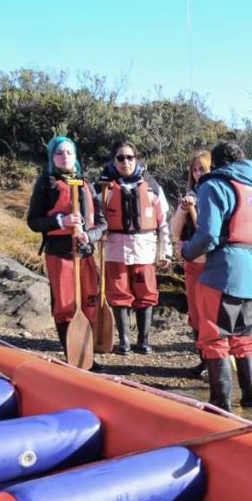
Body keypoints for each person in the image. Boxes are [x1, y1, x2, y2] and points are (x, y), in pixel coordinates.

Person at [182, 142, 252, 411]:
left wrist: (188, 252)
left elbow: (209, 235)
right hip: (250, 275)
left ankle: (219, 406)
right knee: (243, 337)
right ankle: (250, 403)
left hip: (222, 273)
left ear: (217, 163)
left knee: (214, 338)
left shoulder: (213, 186)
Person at [27, 136, 107, 355]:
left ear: (76, 156)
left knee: (89, 302)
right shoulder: (47, 184)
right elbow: (34, 221)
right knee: (65, 305)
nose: (65, 157)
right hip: (59, 253)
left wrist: (89, 236)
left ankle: (87, 353)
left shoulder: (87, 185)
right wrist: (61, 221)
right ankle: (71, 352)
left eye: (69, 152)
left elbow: (102, 223)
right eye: (59, 153)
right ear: (52, 157)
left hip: (85, 253)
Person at [95, 141, 171, 355]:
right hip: (114, 248)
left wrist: (165, 252)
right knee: (119, 293)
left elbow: (164, 220)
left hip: (144, 248)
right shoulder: (103, 187)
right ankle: (124, 341)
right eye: (120, 158)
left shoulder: (151, 186)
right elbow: (93, 218)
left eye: (129, 157)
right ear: (113, 160)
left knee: (145, 293)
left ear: (136, 159)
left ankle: (144, 340)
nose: (125, 162)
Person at [171, 150, 211, 376]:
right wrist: (183, 208)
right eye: (194, 170)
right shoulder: (190, 194)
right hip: (192, 265)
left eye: (202, 169)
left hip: (211, 265)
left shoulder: (213, 195)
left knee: (209, 315)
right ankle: (204, 360)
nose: (197, 174)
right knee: (195, 314)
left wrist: (194, 208)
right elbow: (175, 231)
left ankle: (214, 361)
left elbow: (205, 231)